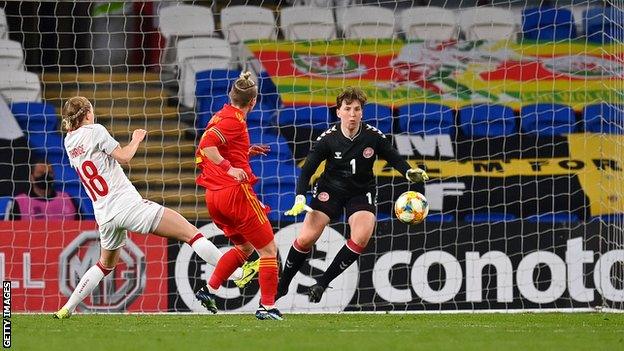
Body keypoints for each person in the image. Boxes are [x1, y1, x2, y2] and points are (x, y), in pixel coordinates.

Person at [53, 96, 258, 319]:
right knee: (191, 233)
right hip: (126, 205)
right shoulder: (95, 130)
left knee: (104, 265)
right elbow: (124, 157)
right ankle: (238, 274)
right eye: (91, 110)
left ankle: (67, 308)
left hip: (103, 213)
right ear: (88, 114)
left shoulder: (69, 141)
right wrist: (136, 139)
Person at [278, 87, 429, 303]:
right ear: (338, 112)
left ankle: (321, 284)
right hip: (330, 190)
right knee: (306, 238)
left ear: (362, 112)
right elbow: (308, 168)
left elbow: (393, 156)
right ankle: (283, 285)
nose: (352, 114)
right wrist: (300, 196)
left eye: (356, 109)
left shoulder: (373, 136)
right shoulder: (328, 139)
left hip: (361, 192)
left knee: (361, 237)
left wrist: (407, 171)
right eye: (347, 109)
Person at [193, 72, 282, 320]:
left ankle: (209, 290)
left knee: (244, 248)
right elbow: (206, 146)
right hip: (234, 192)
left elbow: (220, 146)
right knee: (268, 250)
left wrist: (245, 152)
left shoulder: (221, 114)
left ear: (231, 96)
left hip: (214, 196)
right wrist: (229, 168)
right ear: (253, 102)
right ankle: (267, 306)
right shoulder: (233, 120)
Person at [11, 162, 79, 220]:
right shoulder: (18, 202)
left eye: (49, 173)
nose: (46, 176)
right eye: (40, 173)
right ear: (31, 177)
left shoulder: (68, 199)